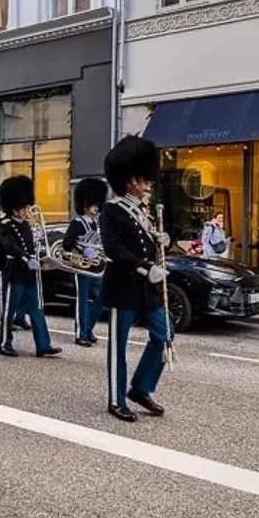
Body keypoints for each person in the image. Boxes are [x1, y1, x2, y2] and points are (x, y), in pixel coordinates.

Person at [100, 135, 172, 422]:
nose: (147, 183)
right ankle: (116, 400)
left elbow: (147, 243)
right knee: (118, 346)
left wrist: (163, 241)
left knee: (165, 335)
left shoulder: (145, 212)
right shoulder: (113, 209)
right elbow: (113, 248)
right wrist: (143, 266)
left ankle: (141, 388)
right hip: (124, 286)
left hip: (148, 289)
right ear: (130, 180)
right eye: (143, 178)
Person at [0, 176, 61, 359]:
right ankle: (5, 342)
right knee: (9, 310)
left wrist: (40, 258)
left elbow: (31, 247)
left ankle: (43, 345)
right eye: (24, 207)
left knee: (36, 309)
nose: (27, 211)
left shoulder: (26, 225)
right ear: (15, 207)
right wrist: (25, 257)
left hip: (29, 273)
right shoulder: (4, 225)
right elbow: (9, 246)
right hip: (13, 271)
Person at [63, 177, 108, 347]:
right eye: (93, 204)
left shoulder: (96, 224)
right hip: (82, 264)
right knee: (82, 300)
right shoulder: (77, 223)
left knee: (99, 298)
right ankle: (81, 333)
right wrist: (83, 250)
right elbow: (67, 243)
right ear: (85, 204)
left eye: (97, 205)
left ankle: (89, 328)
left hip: (96, 265)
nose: (96, 208)